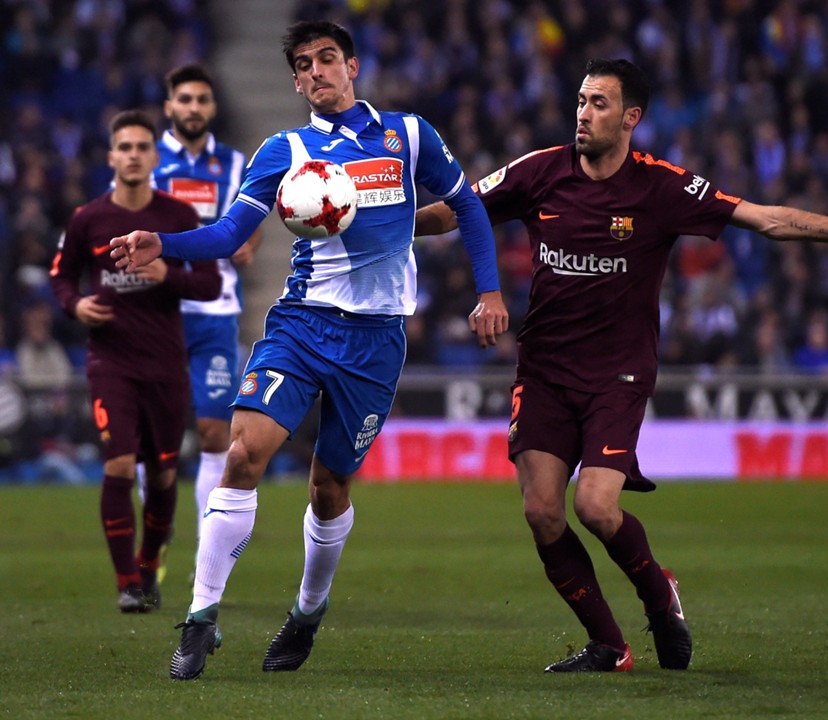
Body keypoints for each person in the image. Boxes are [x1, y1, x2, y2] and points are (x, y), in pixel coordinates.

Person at [414, 58, 828, 673]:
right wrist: (368, 223)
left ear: (631, 117)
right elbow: (454, 213)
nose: (583, 113)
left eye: (600, 104)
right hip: (545, 369)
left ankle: (660, 596)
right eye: (581, 100)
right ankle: (610, 646)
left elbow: (766, 219)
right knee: (541, 511)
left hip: (619, 372)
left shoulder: (662, 187)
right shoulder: (537, 171)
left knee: (597, 508)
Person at [110, 20, 507, 680]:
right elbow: (231, 232)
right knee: (241, 452)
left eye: (328, 59)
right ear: (295, 80)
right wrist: (164, 242)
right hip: (300, 325)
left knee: (329, 487)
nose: (316, 71)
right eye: (304, 64)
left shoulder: (408, 135)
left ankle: (307, 613)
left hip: (376, 340)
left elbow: (468, 206)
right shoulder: (282, 149)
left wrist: (490, 292)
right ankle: (201, 617)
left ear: (351, 65)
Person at [50, 110, 220, 613]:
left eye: (142, 147)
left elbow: (209, 283)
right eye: (123, 147)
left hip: (167, 364)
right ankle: (128, 582)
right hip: (111, 362)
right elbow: (62, 278)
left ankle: (149, 565)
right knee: (119, 464)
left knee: (164, 476)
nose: (132, 155)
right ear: (111, 157)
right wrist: (75, 306)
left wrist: (166, 274)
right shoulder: (88, 219)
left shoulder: (178, 218)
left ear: (154, 156)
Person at [154, 64, 264, 555]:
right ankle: (150, 541)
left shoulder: (236, 162)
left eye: (202, 99)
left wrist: (250, 242)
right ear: (169, 107)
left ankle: (206, 546)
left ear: (213, 108)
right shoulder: (147, 158)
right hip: (156, 310)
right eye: (185, 99)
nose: (194, 108)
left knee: (214, 429)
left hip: (216, 309)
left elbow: (254, 215)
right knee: (154, 436)